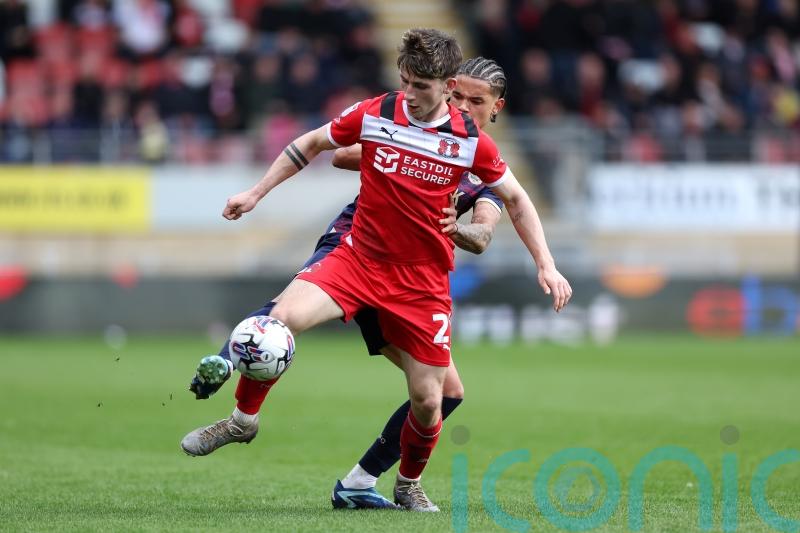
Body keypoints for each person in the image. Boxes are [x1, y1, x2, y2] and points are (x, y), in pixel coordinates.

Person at [182, 28, 571, 512]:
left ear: (450, 87)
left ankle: (397, 484)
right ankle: (242, 419)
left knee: (435, 399)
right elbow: (319, 145)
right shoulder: (377, 112)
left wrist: (542, 264)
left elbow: (509, 207)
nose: (409, 93)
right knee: (276, 321)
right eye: (404, 81)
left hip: (419, 283)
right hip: (358, 257)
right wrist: (256, 193)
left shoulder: (473, 149)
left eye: (421, 85)